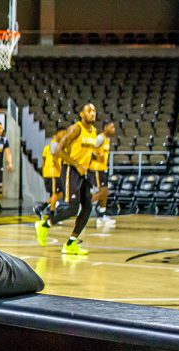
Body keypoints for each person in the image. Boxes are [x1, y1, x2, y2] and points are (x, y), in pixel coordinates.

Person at [35, 103, 99, 255]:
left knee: (88, 207)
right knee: (72, 207)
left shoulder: (94, 131)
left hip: (84, 172)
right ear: (82, 114)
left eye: (94, 111)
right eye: (89, 110)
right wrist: (77, 165)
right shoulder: (76, 129)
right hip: (71, 170)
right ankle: (45, 225)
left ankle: (71, 242)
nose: (93, 113)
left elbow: (85, 152)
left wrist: (92, 160)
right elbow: (58, 150)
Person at [33, 128, 66, 219]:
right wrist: (60, 171)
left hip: (51, 173)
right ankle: (51, 214)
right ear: (57, 134)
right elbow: (55, 160)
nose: (64, 135)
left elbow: (44, 160)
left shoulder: (50, 147)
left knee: (59, 193)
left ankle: (42, 207)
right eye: (63, 133)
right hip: (53, 173)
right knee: (56, 193)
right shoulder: (54, 145)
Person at [91, 120, 116, 227]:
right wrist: (96, 157)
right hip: (96, 169)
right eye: (111, 127)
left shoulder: (107, 139)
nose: (113, 129)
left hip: (103, 169)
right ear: (105, 127)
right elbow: (89, 151)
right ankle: (83, 206)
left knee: (105, 192)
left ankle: (102, 215)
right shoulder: (100, 138)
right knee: (102, 192)